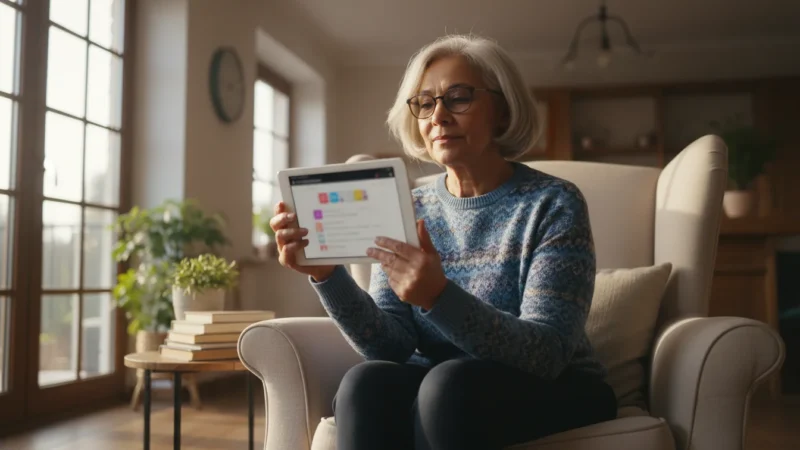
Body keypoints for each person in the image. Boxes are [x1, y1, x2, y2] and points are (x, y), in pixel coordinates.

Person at [270, 34, 617, 450]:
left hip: (558, 385)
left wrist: (439, 297)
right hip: (446, 382)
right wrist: (328, 276)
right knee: (366, 382)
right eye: (425, 102)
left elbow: (547, 353)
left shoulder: (554, 203)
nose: (438, 115)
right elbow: (390, 344)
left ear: (502, 111)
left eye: (459, 98)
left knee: (448, 384)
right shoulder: (411, 206)